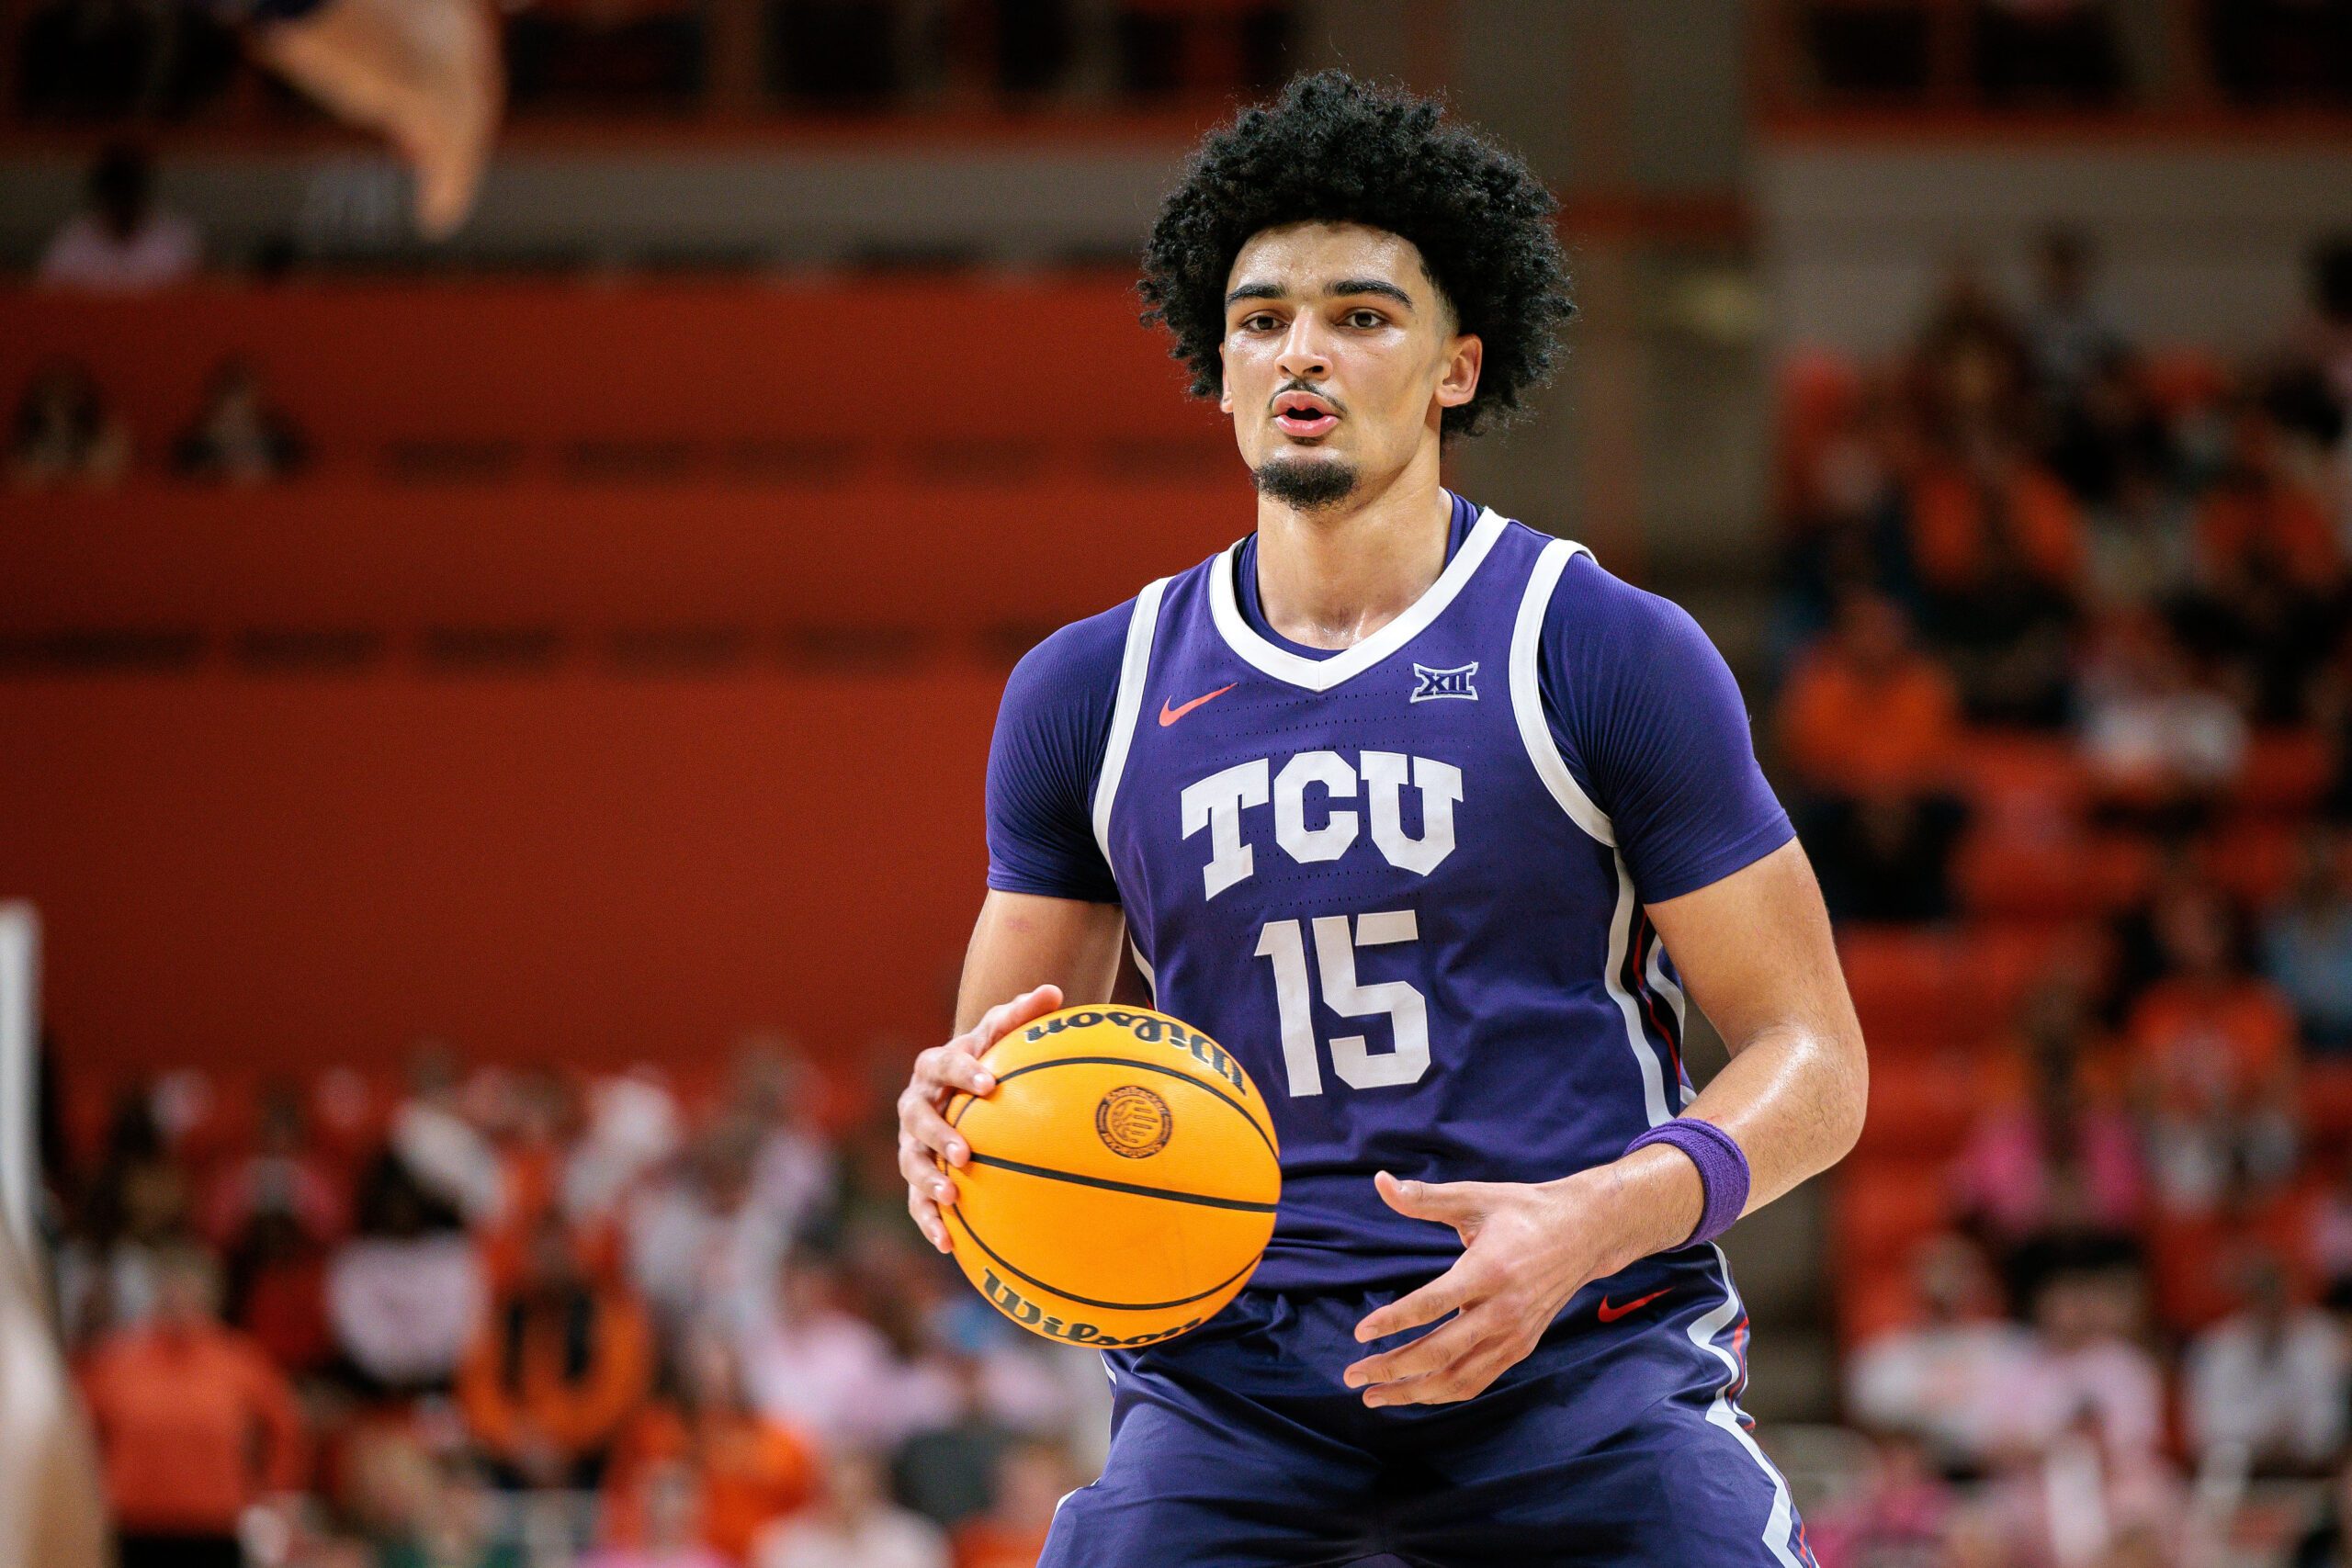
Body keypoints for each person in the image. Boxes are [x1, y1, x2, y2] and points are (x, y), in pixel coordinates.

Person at [894, 72, 1868, 1567]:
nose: (1304, 351)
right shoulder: (1088, 691)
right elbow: (1010, 1070)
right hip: (1234, 1390)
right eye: (1263, 316)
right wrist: (951, 1131)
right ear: (1216, 366)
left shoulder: (1596, 646)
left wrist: (1595, 1219)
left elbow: (1815, 1063)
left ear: (1456, 367)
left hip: (1583, 1356)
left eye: (1362, 315)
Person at [79, 1245, 306, 1568]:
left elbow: (284, 1431)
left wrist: (274, 1494)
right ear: (154, 1291)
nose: (178, 1297)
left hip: (215, 1520)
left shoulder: (241, 1361)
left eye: (189, 1287)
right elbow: (79, 1435)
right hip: (134, 1519)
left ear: (211, 1294)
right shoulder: (115, 1359)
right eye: (170, 1286)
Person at [38, 141, 199, 290]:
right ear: (102, 195)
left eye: (128, 192)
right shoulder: (72, 243)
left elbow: (196, 306)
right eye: (116, 194)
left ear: (141, 192)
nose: (122, 204)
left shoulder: (177, 241)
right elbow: (45, 305)